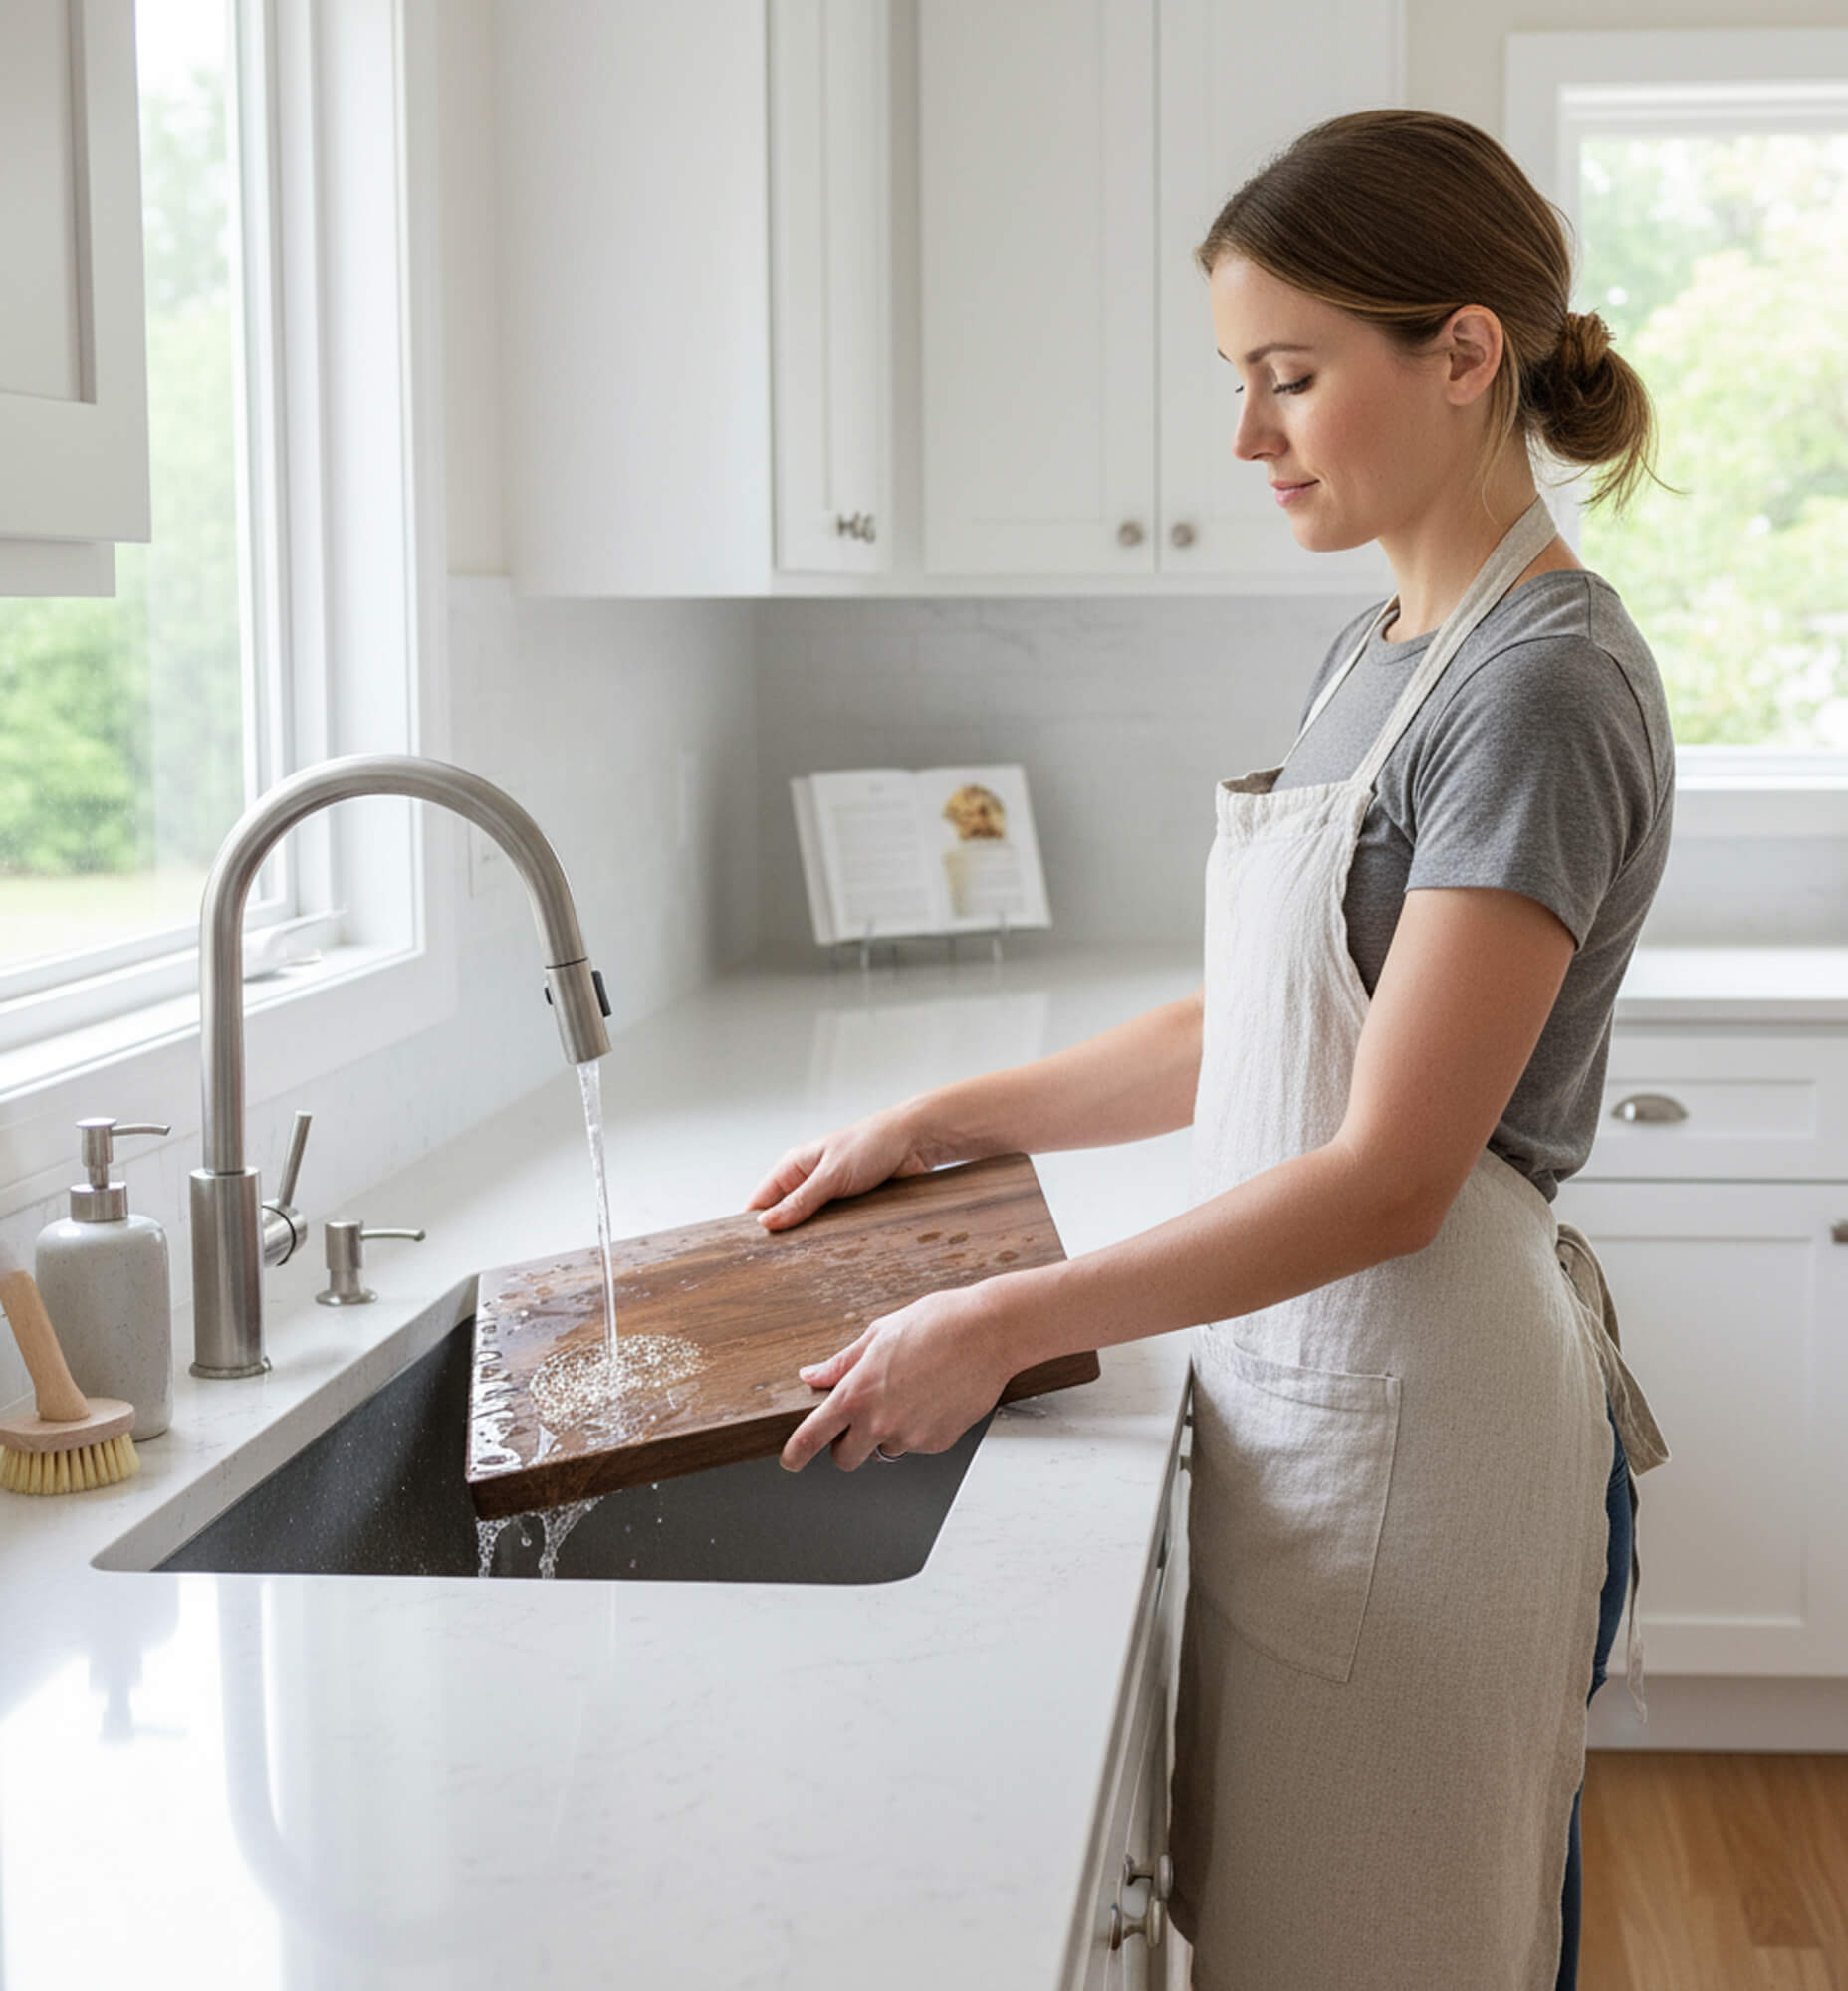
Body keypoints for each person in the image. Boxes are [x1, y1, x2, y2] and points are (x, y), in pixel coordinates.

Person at [750, 106, 1673, 1990]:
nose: (1246, 436)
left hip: (1430, 1424)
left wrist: (1001, 1318)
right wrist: (938, 1115)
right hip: (1319, 1400)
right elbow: (1250, 1021)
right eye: (1240, 380)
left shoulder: (1539, 684)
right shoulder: (1384, 649)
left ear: (1465, 352)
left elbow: (1392, 1173)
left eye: (1292, 377)